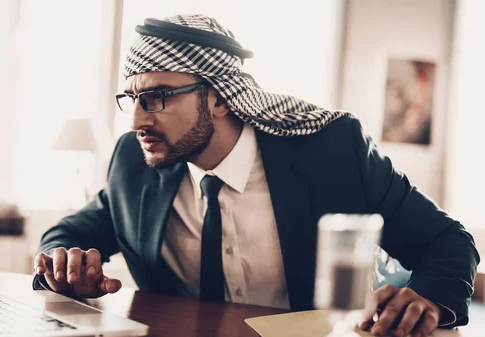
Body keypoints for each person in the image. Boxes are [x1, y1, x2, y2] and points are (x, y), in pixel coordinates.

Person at [33, 14, 479, 337]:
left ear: (220, 99)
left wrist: (429, 300)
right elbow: (71, 232)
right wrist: (62, 263)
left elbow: (447, 241)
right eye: (130, 99)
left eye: (157, 97)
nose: (136, 121)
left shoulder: (332, 151)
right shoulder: (135, 164)